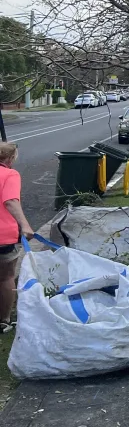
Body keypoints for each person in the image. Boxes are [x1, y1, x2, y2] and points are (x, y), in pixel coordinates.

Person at [0, 143, 35, 333]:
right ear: (10, 158)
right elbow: (11, 201)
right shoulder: (10, 174)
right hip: (3, 236)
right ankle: (4, 319)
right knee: (6, 276)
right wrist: (25, 225)